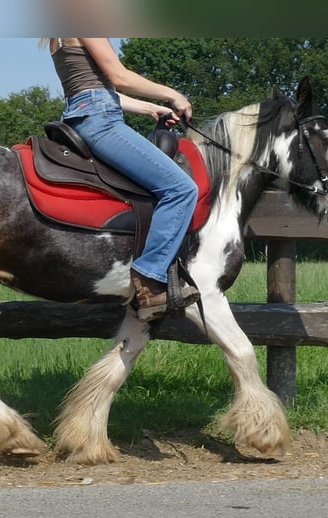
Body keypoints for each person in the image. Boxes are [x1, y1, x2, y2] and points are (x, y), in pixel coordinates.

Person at [43, 37, 200, 321]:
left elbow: (97, 89)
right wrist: (172, 94)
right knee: (181, 188)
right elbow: (118, 76)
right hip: (101, 120)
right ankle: (150, 281)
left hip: (84, 114)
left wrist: (151, 108)